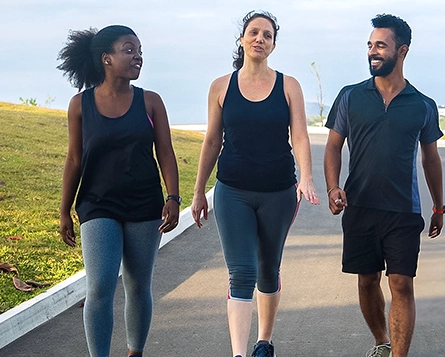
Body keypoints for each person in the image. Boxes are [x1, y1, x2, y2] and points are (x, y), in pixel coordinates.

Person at [190, 10, 319, 357]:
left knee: (267, 268)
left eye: (267, 35)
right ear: (242, 39)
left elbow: (301, 136)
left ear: (273, 45)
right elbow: (212, 140)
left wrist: (306, 176)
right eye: (254, 32)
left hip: (278, 192)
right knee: (242, 272)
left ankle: (264, 341)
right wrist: (199, 189)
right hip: (233, 190)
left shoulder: (288, 85)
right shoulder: (221, 86)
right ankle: (238, 353)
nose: (260, 39)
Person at [324, 14, 445, 357]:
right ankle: (381, 341)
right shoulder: (350, 97)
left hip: (403, 211)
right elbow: (334, 146)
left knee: (402, 283)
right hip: (360, 206)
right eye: (370, 45)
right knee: (366, 280)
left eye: (381, 45)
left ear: (402, 51)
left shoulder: (423, 105)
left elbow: (431, 159)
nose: (373, 52)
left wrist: (438, 206)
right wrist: (334, 187)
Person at [57, 25, 180, 357]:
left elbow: (165, 152)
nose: (137, 56)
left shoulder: (150, 102)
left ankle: (134, 352)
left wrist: (173, 197)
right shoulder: (80, 105)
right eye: (129, 50)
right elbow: (74, 158)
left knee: (138, 286)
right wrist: (64, 209)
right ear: (106, 59)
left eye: (140, 50)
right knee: (100, 286)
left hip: (144, 204)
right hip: (98, 205)